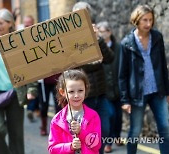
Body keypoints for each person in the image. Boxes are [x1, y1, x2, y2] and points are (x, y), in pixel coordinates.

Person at [118, 4, 169, 154]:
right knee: (135, 131)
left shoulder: (157, 37)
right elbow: (122, 74)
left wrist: (167, 91)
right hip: (137, 95)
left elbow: (163, 66)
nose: (148, 24)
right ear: (137, 20)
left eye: (150, 20)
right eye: (144, 20)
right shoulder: (126, 43)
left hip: (157, 91)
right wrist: (125, 100)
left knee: (165, 128)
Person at [0, 8, 38, 154]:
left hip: (16, 93)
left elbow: (31, 66)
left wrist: (32, 89)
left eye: (1, 23)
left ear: (10, 23)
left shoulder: (20, 42)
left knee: (16, 135)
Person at [72, 2, 114, 154]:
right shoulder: (69, 40)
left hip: (100, 94)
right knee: (85, 134)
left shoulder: (95, 35)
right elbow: (74, 68)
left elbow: (109, 58)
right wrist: (95, 63)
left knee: (104, 130)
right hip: (83, 97)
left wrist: (99, 39)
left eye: (84, 14)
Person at [48, 69, 101, 154]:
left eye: (80, 91)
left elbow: (96, 145)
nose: (76, 95)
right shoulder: (57, 120)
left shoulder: (93, 116)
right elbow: (52, 148)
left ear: (86, 89)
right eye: (71, 92)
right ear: (62, 92)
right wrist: (70, 146)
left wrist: (81, 132)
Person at [97, 21, 123, 153]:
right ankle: (108, 142)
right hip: (105, 90)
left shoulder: (118, 47)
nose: (102, 34)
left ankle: (117, 136)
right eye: (100, 32)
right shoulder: (97, 48)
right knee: (111, 115)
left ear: (109, 32)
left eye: (104, 31)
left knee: (118, 116)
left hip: (118, 88)